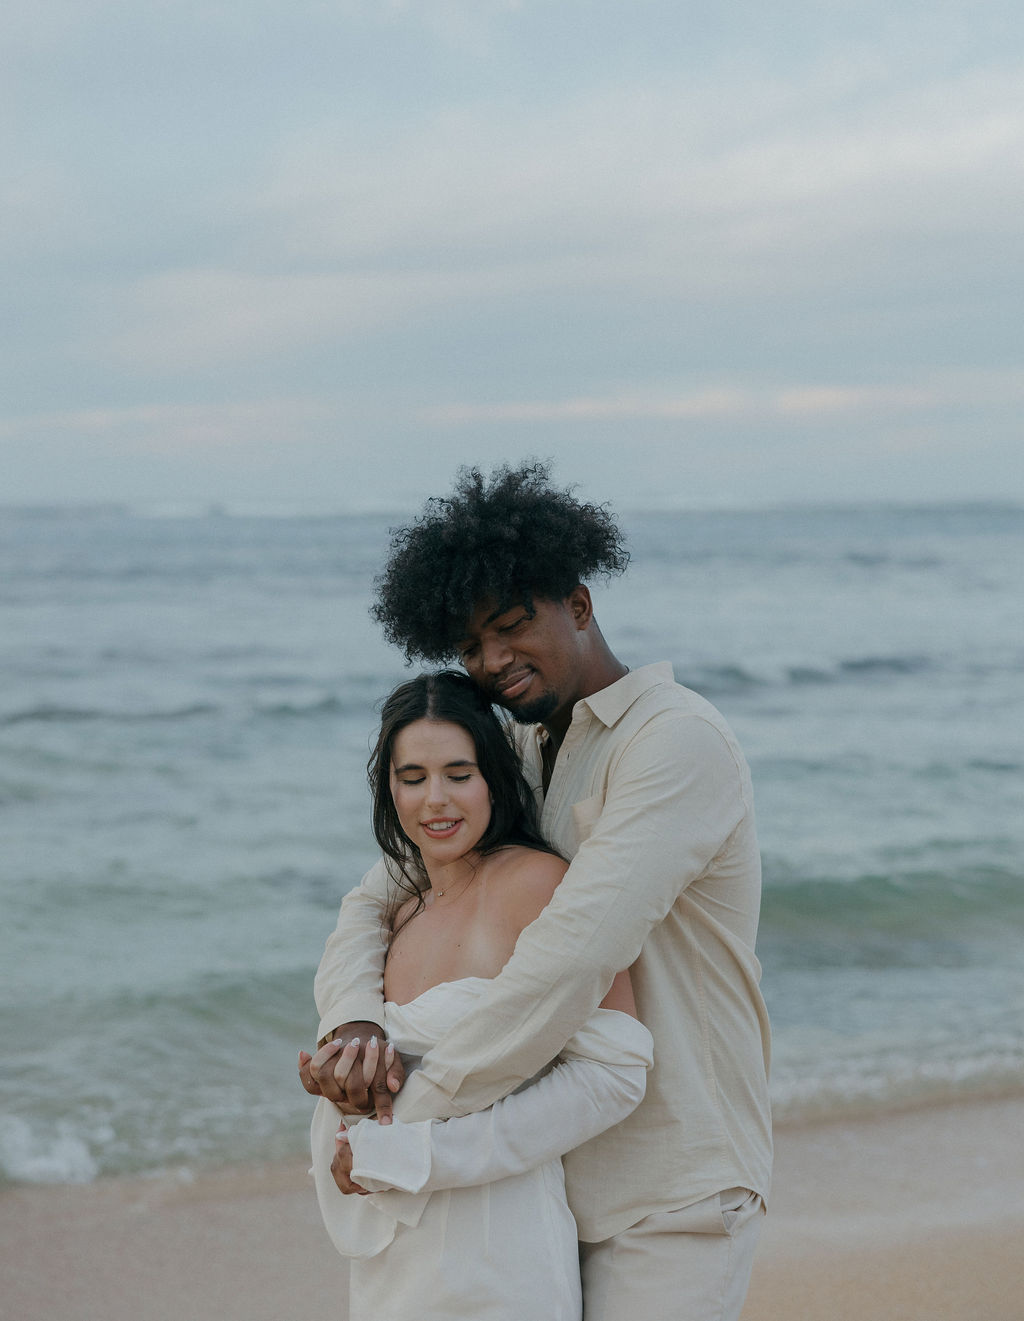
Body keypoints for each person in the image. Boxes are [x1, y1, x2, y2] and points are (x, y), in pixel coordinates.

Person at [304, 462, 772, 1321]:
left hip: (669, 1185)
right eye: (471, 645)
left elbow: (571, 959)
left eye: (513, 627)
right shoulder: (523, 751)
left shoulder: (672, 743)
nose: (493, 662)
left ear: (581, 604)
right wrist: (353, 1025)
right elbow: (374, 896)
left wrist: (408, 1117)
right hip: (545, 1182)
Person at [303, 670, 653, 1321]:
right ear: (389, 788)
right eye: (412, 777)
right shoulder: (397, 907)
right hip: (391, 1257)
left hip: (500, 1255)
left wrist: (418, 1154)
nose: (435, 799)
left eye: (458, 773)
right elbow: (354, 930)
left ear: (493, 774)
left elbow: (613, 1075)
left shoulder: (536, 884)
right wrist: (349, 1082)